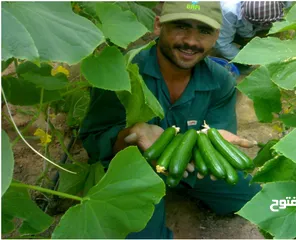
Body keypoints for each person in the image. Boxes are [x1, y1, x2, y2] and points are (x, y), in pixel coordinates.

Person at [80, 2, 261, 239]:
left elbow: (218, 132)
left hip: (192, 162)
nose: (191, 41)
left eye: (204, 31)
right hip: (135, 167)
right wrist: (130, 136)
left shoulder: (221, 80)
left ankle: (180, 184)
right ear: (158, 26)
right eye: (181, 26)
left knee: (253, 198)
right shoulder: (121, 71)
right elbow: (94, 142)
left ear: (217, 36)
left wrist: (214, 141)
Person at [214, 1, 290, 60]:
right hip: (227, 23)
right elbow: (222, 43)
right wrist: (247, 59)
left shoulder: (285, 3)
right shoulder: (228, 12)